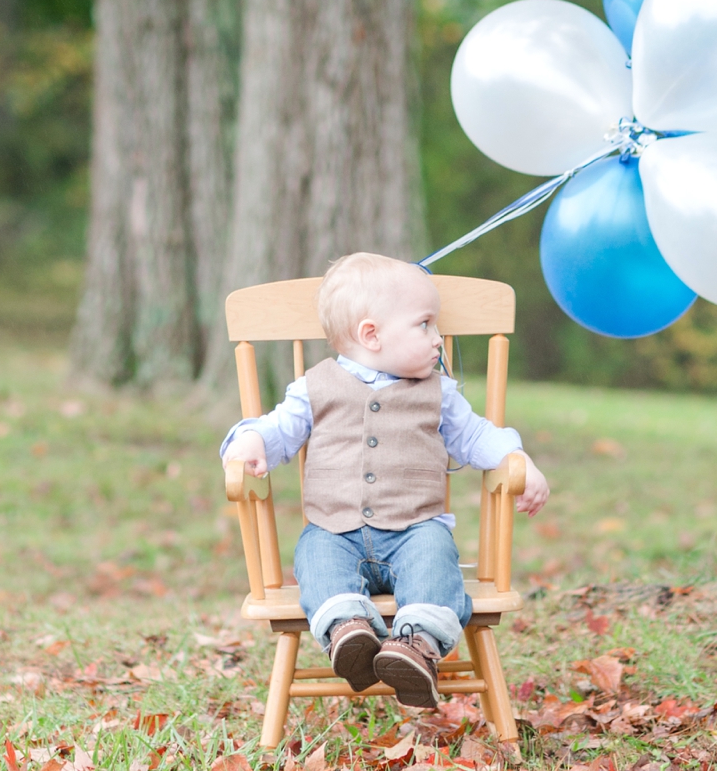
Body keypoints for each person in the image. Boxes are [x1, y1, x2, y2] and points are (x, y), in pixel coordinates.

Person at [221, 252, 549, 707]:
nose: (437, 339)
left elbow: (477, 436)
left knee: (435, 556)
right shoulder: (313, 388)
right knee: (313, 556)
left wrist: (517, 459)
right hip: (335, 532)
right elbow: (277, 428)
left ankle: (416, 648)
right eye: (425, 325)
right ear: (370, 334)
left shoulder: (439, 392)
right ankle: (348, 633)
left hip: (415, 530)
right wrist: (251, 442)